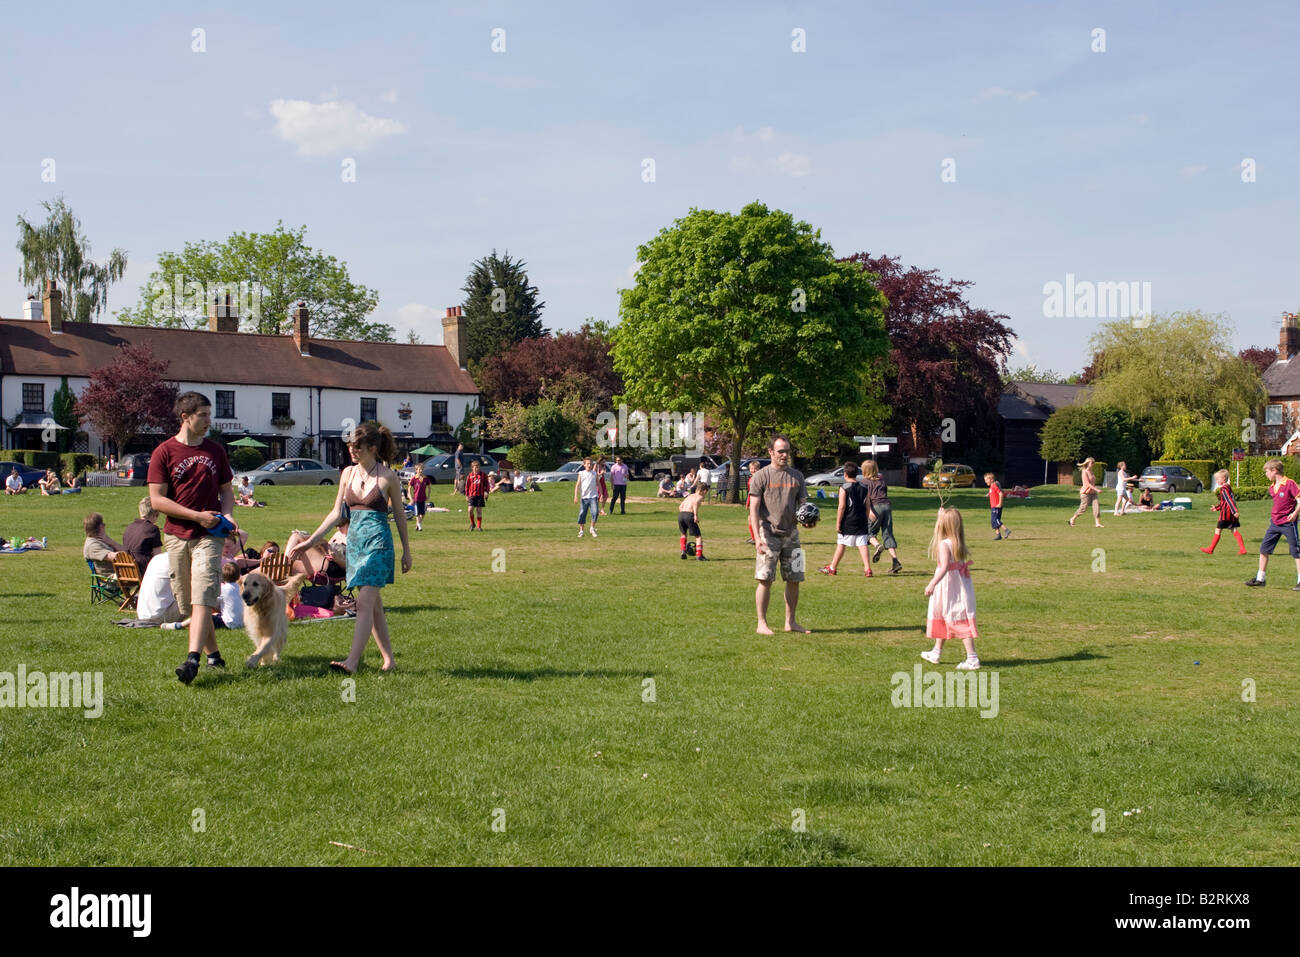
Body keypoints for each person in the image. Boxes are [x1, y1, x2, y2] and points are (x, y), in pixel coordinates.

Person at [289, 422, 411, 673]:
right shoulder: (347, 474)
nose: (351, 451)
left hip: (379, 544)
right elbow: (336, 514)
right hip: (355, 544)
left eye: (357, 447)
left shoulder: (387, 477)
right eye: (350, 446)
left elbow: (399, 515)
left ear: (373, 448)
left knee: (365, 602)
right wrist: (311, 541)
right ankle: (389, 660)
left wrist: (407, 551)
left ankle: (352, 662)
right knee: (374, 605)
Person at [147, 390, 235, 684]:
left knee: (204, 595)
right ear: (186, 417)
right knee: (188, 603)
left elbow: (226, 490)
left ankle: (192, 660)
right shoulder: (164, 452)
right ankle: (214, 656)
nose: (209, 421)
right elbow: (157, 501)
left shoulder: (215, 451)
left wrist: (228, 514)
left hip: (209, 535)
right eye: (203, 415)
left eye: (210, 415)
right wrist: (196, 515)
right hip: (176, 535)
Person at [749, 435, 810, 634]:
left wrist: (808, 520)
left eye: (787, 451)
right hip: (768, 533)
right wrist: (757, 538)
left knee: (795, 578)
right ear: (771, 452)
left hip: (792, 534)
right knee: (765, 579)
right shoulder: (761, 476)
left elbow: (803, 505)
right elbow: (754, 509)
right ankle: (761, 623)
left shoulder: (797, 476)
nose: (785, 455)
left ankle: (790, 622)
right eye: (781, 451)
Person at [920, 507, 980, 670]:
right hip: (957, 585)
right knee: (946, 615)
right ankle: (936, 652)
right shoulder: (957, 542)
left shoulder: (944, 544)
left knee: (956, 617)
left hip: (948, 586)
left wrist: (932, 583)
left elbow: (945, 566)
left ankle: (972, 657)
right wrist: (941, 515)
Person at [1245, 460, 1300, 589]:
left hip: (1288, 523)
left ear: (1274, 470)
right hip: (1274, 523)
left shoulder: (1289, 483)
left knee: (1296, 551)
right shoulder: (1271, 487)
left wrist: (1294, 513)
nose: (1266, 474)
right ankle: (1260, 579)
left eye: (1267, 471)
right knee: (1264, 549)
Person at [820, 461, 871, 576]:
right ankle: (867, 569)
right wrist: (867, 519)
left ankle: (832, 568)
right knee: (862, 544)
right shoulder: (864, 487)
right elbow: (867, 505)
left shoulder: (844, 488)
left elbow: (842, 506)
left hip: (848, 520)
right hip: (862, 519)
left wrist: (838, 523)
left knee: (841, 543)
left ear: (845, 474)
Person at [861, 460, 902, 574]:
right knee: (888, 533)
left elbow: (866, 498)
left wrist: (869, 511)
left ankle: (877, 546)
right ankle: (895, 561)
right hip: (887, 506)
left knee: (868, 532)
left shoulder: (864, 482)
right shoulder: (882, 480)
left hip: (875, 507)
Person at [1201, 468, 1245, 555]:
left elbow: (1229, 501)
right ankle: (1242, 549)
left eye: (1218, 479)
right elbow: (1224, 502)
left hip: (1226, 514)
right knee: (1234, 530)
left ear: (1224, 478)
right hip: (1231, 514)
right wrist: (1216, 508)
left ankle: (1210, 549)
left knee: (1218, 530)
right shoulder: (1228, 487)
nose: (1217, 480)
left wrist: (1234, 511)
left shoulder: (1223, 489)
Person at [137, 552, 183, 624]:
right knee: (198, 593)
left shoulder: (156, 558)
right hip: (160, 616)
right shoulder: (177, 560)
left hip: (142, 614)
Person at [123, 496, 165, 574]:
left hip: (128, 571)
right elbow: (158, 557)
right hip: (145, 571)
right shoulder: (152, 529)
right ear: (155, 514)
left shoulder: (129, 527)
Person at [82, 513, 123, 577]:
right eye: (103, 524)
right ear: (101, 527)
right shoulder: (92, 546)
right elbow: (116, 557)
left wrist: (109, 540)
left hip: (120, 574)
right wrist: (134, 553)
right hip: (112, 579)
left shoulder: (101, 540)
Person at [1069, 457, 1104, 528]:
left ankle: (1097, 523)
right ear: (1088, 463)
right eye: (1092, 463)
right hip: (1085, 493)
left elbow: (1093, 482)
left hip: (1093, 493)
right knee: (1083, 508)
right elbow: (1087, 484)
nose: (1093, 464)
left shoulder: (1091, 471)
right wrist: (1097, 489)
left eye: (1094, 463)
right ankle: (1072, 519)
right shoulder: (1084, 472)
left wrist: (1095, 490)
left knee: (1096, 507)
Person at [678, 483, 708, 560]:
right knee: (698, 536)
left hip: (681, 515)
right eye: (706, 493)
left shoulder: (690, 496)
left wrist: (684, 514)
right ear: (704, 491)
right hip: (690, 515)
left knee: (683, 534)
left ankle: (683, 551)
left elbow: (680, 507)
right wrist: (695, 515)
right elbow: (695, 503)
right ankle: (699, 555)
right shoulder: (700, 497)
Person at [574, 456, 600, 538]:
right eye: (588, 464)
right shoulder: (581, 473)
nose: (589, 465)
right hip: (584, 497)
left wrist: (601, 494)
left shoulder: (594, 473)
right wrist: (575, 496)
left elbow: (598, 484)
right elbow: (578, 485)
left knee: (595, 512)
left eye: (591, 464)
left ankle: (592, 528)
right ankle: (581, 531)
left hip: (593, 496)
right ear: (584, 465)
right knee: (582, 514)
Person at [465, 459, 490, 531]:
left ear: (480, 467)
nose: (476, 469)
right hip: (472, 495)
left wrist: (486, 492)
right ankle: (472, 523)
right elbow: (467, 486)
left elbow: (487, 485)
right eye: (474, 467)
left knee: (479, 510)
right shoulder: (470, 476)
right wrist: (467, 495)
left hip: (480, 495)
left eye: (477, 467)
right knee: (470, 510)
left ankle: (479, 527)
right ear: (472, 468)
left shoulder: (483, 475)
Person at [985, 472, 1011, 541]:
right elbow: (993, 493)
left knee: (996, 520)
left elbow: (1001, 494)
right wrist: (989, 494)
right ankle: (998, 535)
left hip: (997, 506)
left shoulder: (994, 485)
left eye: (986, 480)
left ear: (991, 479)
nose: (985, 481)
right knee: (993, 521)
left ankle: (1006, 530)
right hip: (993, 507)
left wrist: (1000, 504)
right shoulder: (991, 487)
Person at [745, 459, 762, 544]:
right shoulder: (752, 478)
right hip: (752, 501)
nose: (752, 470)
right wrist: (748, 502)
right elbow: (750, 493)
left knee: (754, 519)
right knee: (751, 519)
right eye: (751, 468)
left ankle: (756, 538)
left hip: (758, 502)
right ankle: (754, 537)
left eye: (754, 469)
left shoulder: (758, 479)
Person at [409, 464, 429, 531]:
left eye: (422, 469)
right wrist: (411, 498)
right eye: (420, 469)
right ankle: (420, 526)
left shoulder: (425, 478)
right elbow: (409, 488)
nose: (421, 470)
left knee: (423, 513)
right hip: (416, 498)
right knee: (417, 513)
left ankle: (418, 523)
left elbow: (429, 487)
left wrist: (428, 496)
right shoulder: (414, 479)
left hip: (423, 498)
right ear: (416, 470)